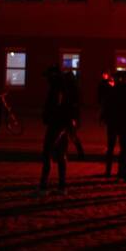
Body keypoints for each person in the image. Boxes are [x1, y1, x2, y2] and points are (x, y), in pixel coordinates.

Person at [38, 67, 78, 196]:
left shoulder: (56, 89)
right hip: (63, 125)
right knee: (61, 156)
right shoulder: (64, 87)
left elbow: (56, 107)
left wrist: (49, 117)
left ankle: (43, 186)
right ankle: (62, 186)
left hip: (57, 125)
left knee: (47, 153)